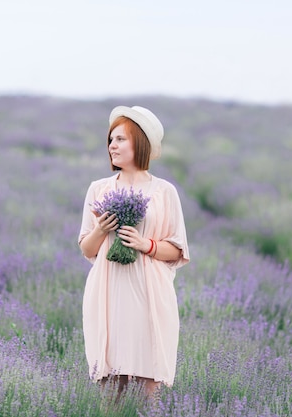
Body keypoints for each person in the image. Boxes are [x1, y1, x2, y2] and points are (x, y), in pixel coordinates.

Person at [78, 105, 190, 403]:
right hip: (108, 291)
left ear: (140, 143)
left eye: (120, 139)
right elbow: (86, 249)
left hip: (148, 293)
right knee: (110, 389)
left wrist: (145, 244)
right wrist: (101, 230)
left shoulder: (164, 191)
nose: (112, 146)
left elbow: (177, 250)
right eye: (110, 140)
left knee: (147, 388)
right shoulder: (98, 189)